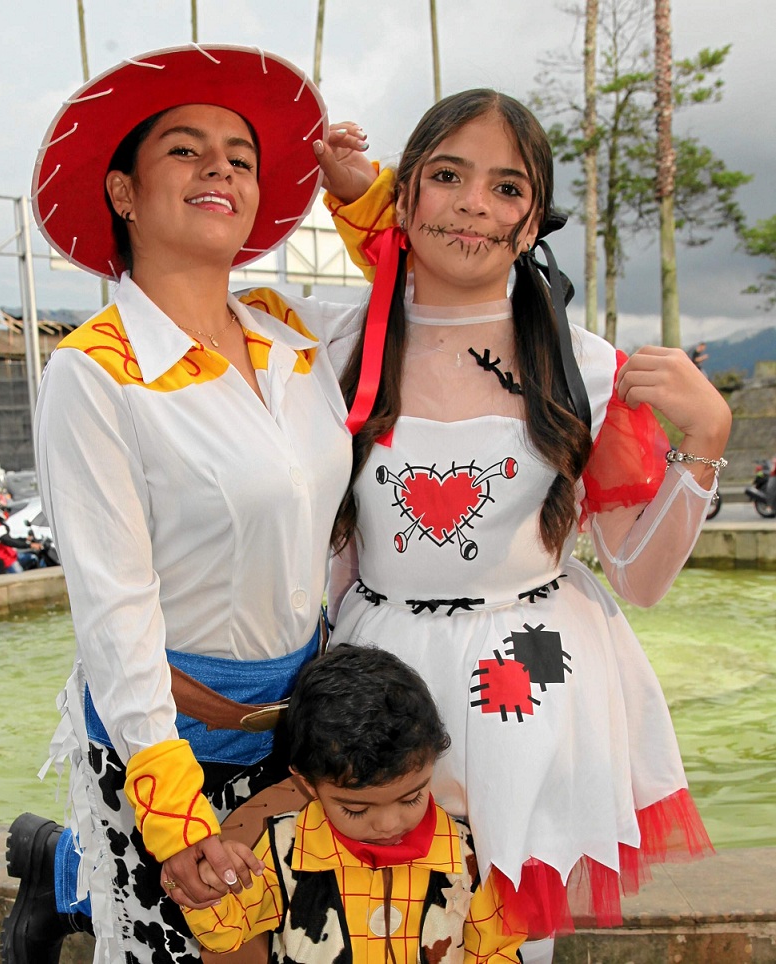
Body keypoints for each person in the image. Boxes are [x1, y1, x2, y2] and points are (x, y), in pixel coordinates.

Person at [320, 90, 732, 964]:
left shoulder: (583, 363)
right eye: (446, 176)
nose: (474, 203)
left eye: (507, 188)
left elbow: (640, 577)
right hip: (379, 668)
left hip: (532, 670)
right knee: (371, 924)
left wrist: (705, 441)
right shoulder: (337, 345)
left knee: (507, 930)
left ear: (533, 218)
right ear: (403, 198)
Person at [0, 44, 375, 964]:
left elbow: (428, 297)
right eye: (185, 149)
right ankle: (75, 870)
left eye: (241, 157)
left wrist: (364, 197)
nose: (222, 169)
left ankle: (61, 871)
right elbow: (114, 615)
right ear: (123, 192)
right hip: (167, 739)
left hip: (298, 732)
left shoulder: (290, 328)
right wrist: (174, 821)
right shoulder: (95, 372)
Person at [183, 644, 526, 962]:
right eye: (356, 809)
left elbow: (497, 950)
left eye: (411, 797)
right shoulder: (283, 851)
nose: (389, 824)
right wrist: (212, 886)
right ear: (308, 783)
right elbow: (224, 934)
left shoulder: (469, 857)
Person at [0, 495, 41, 573]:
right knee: (22, 580)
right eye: (2, 506)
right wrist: (29, 545)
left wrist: (25, 539)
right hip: (4, 558)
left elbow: (7, 539)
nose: (5, 508)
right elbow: (7, 540)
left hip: (4, 555)